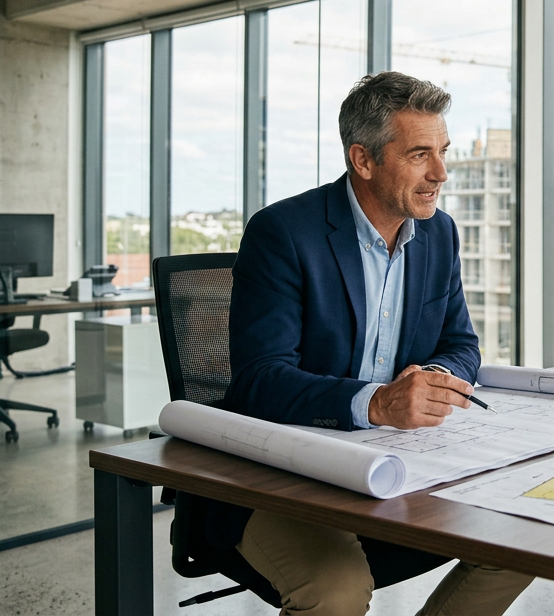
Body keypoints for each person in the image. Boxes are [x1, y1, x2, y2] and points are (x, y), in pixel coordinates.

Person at [224, 72, 534, 616]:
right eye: (420, 154)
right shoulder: (283, 233)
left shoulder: (438, 233)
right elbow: (259, 381)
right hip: (286, 471)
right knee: (336, 592)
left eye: (442, 151)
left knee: (528, 533)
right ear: (363, 161)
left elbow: (462, 343)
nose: (441, 173)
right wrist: (376, 403)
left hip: (401, 463)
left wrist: (429, 377)